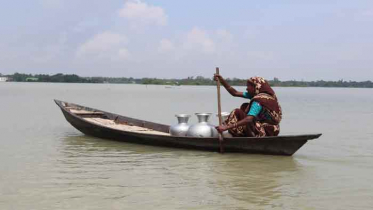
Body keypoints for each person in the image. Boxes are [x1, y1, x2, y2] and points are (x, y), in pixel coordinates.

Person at [214, 74, 282, 137]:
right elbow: (235, 93)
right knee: (245, 106)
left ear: (255, 87)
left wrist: (226, 127)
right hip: (273, 131)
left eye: (248, 86)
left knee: (237, 112)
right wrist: (222, 81)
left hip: (264, 131)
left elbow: (249, 119)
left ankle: (238, 133)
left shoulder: (258, 100)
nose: (246, 89)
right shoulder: (267, 97)